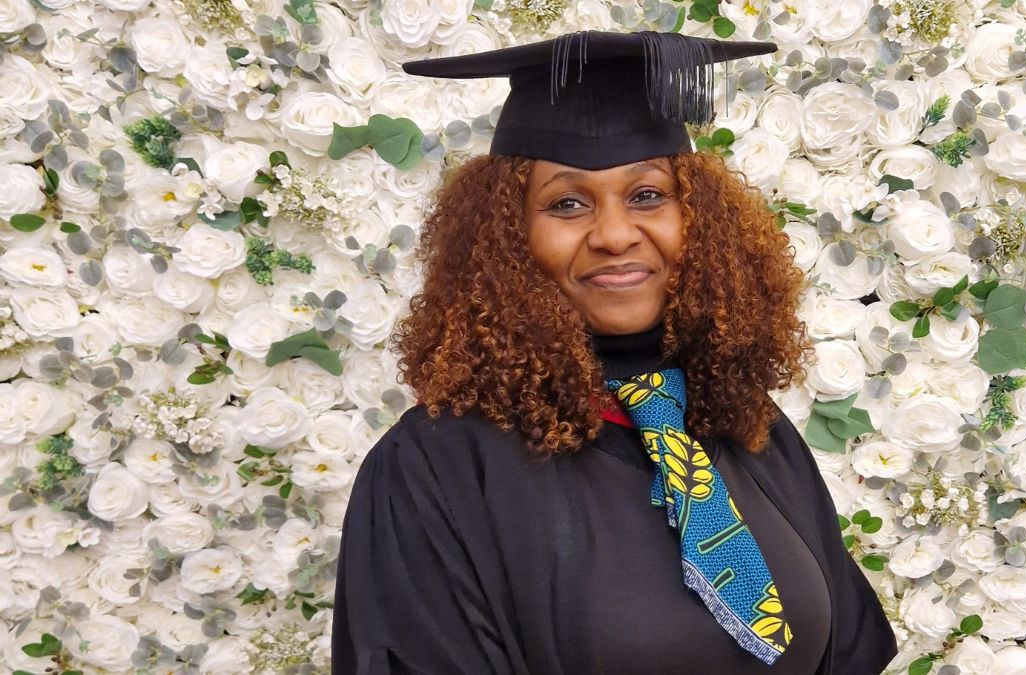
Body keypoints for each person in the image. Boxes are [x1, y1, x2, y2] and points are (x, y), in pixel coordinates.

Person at [331, 30, 898, 674]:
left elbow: (845, 651)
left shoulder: (746, 426)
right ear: (510, 239)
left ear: (697, 220)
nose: (615, 234)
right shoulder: (434, 469)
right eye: (566, 204)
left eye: (647, 195)